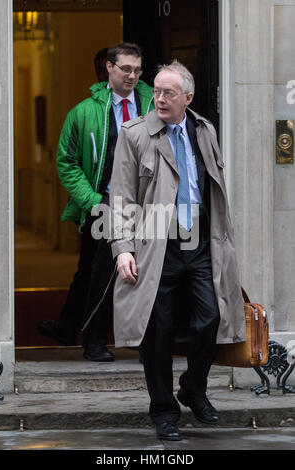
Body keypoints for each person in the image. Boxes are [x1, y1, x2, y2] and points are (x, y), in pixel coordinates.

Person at [109, 60, 246, 439]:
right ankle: (164, 412)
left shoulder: (204, 130)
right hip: (156, 243)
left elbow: (213, 188)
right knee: (158, 332)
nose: (159, 98)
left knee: (212, 317)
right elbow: (120, 197)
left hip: (200, 241)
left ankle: (193, 387)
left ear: (188, 97)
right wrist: (123, 248)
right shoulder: (134, 134)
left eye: (169, 92)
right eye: (155, 91)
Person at [38, 42, 154, 362]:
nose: (132, 76)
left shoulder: (154, 105)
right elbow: (66, 162)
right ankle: (95, 341)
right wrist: (92, 201)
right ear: (109, 68)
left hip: (148, 204)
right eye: (126, 69)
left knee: (152, 272)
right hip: (104, 204)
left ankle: (150, 342)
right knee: (100, 274)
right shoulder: (84, 112)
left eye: (137, 70)